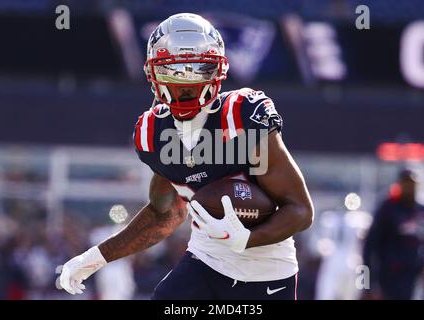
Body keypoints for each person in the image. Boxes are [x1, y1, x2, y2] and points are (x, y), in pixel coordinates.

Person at [59, 13, 314, 300]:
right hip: (205, 263)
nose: (185, 84)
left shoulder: (241, 115)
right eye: (173, 71)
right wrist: (94, 258)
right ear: (153, 74)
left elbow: (301, 211)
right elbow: (164, 213)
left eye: (197, 71)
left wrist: (246, 239)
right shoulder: (152, 131)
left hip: (266, 271)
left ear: (218, 71)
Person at [362, 169, 424, 299]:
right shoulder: (387, 208)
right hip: (390, 276)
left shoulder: (423, 209)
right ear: (399, 184)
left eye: (413, 183)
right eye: (406, 183)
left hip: (415, 276)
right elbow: (369, 246)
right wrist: (367, 284)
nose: (410, 187)